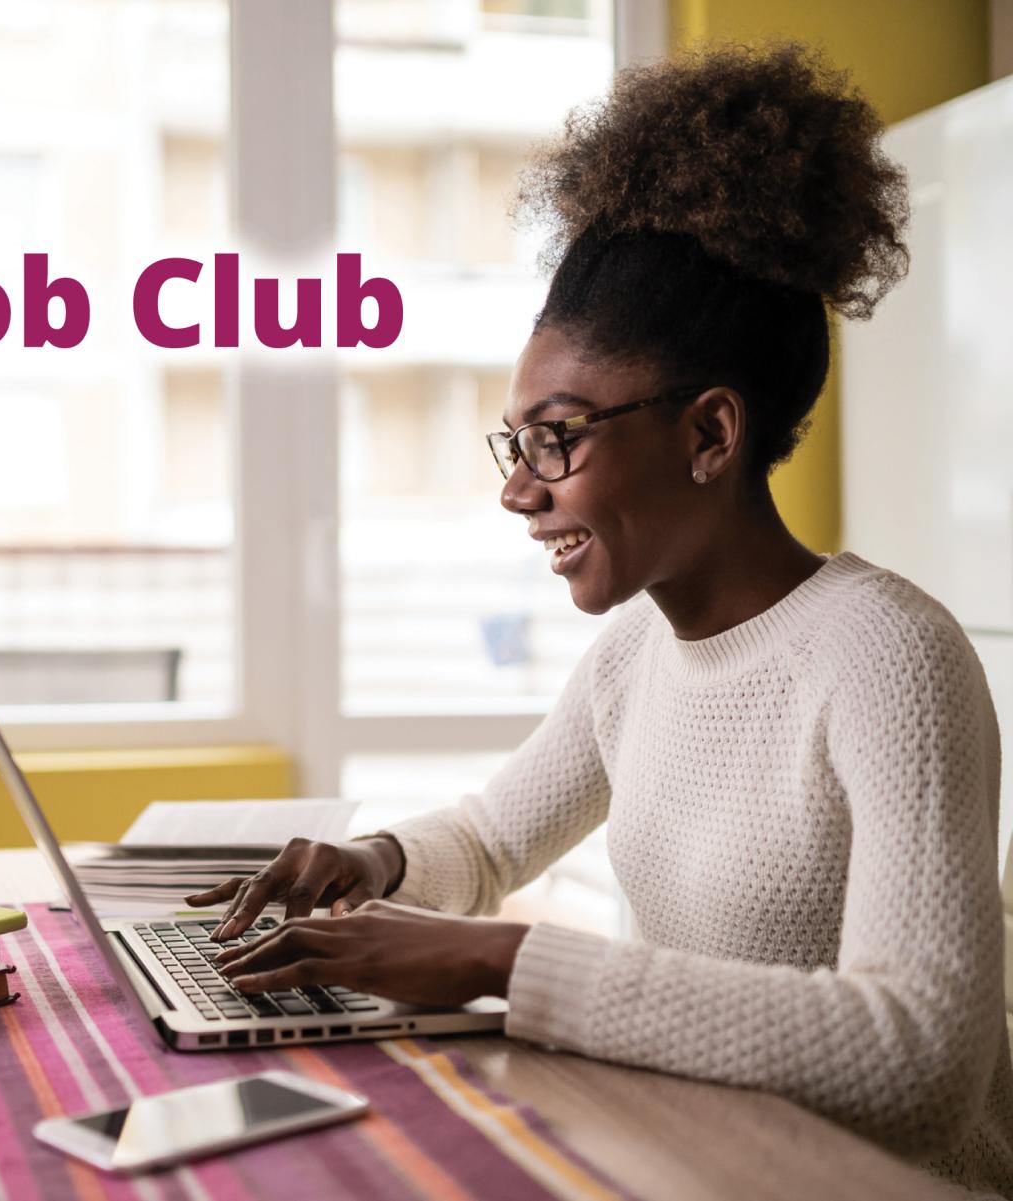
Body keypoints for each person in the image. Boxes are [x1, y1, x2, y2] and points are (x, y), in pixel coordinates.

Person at [187, 43, 1013, 1197]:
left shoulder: (889, 657)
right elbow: (486, 841)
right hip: (698, 1161)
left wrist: (498, 957)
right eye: (517, 440)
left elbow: (920, 1056)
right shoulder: (636, 653)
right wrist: (371, 862)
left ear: (710, 437)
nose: (520, 489)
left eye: (559, 438)